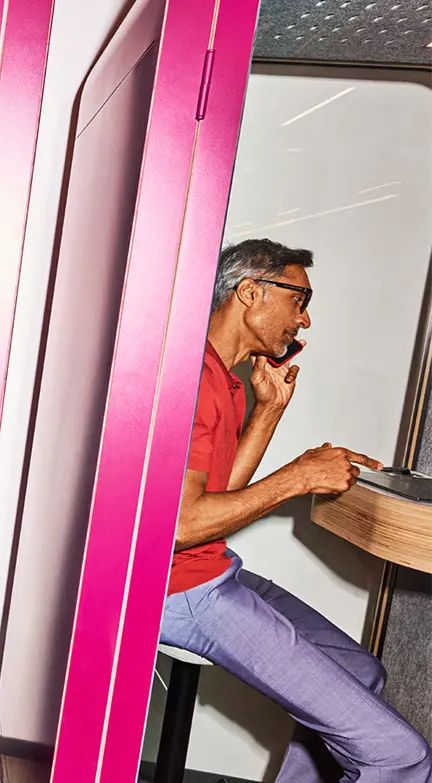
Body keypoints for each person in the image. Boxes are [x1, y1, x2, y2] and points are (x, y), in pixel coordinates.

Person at [166, 238, 431, 780]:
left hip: (209, 571)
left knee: (359, 671)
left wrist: (269, 409)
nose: (303, 322)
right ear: (249, 291)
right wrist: (298, 477)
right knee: (401, 755)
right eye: (299, 300)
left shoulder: (224, 378)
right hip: (178, 589)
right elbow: (181, 527)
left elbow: (219, 495)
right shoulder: (192, 379)